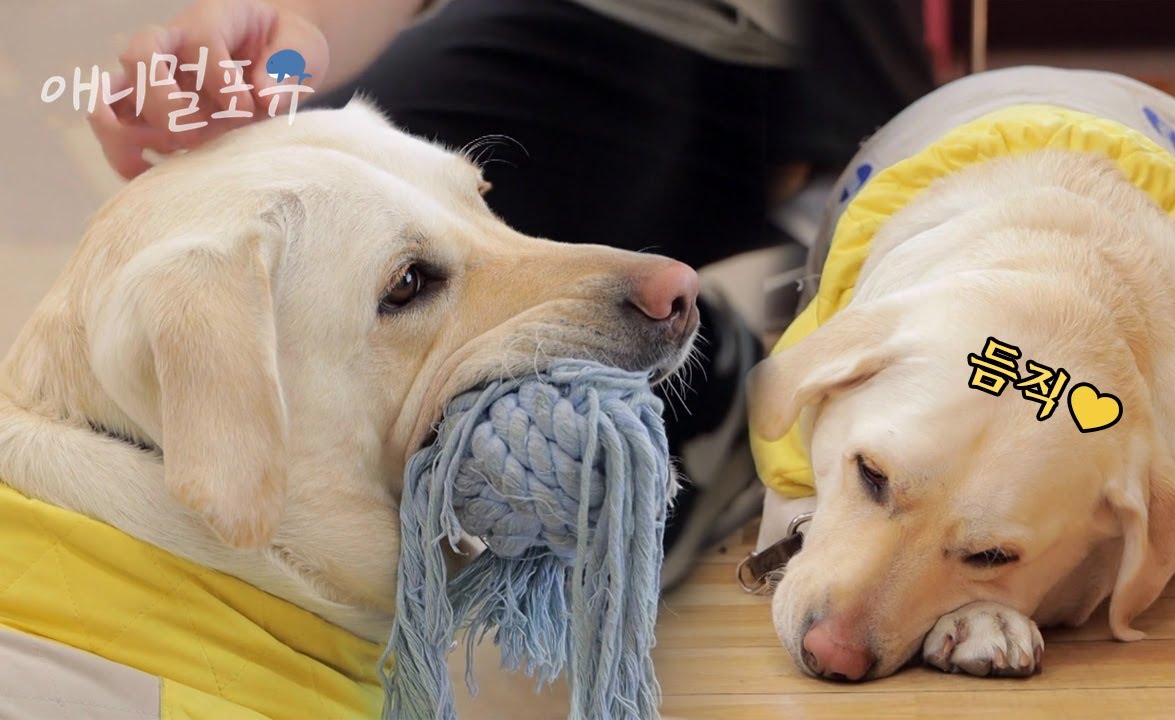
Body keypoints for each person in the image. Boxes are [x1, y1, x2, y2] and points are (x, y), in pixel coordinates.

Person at [89, 0, 934, 586]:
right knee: (339, 185)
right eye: (411, 282)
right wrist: (283, 42)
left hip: (780, 48)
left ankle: (696, 399)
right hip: (548, 18)